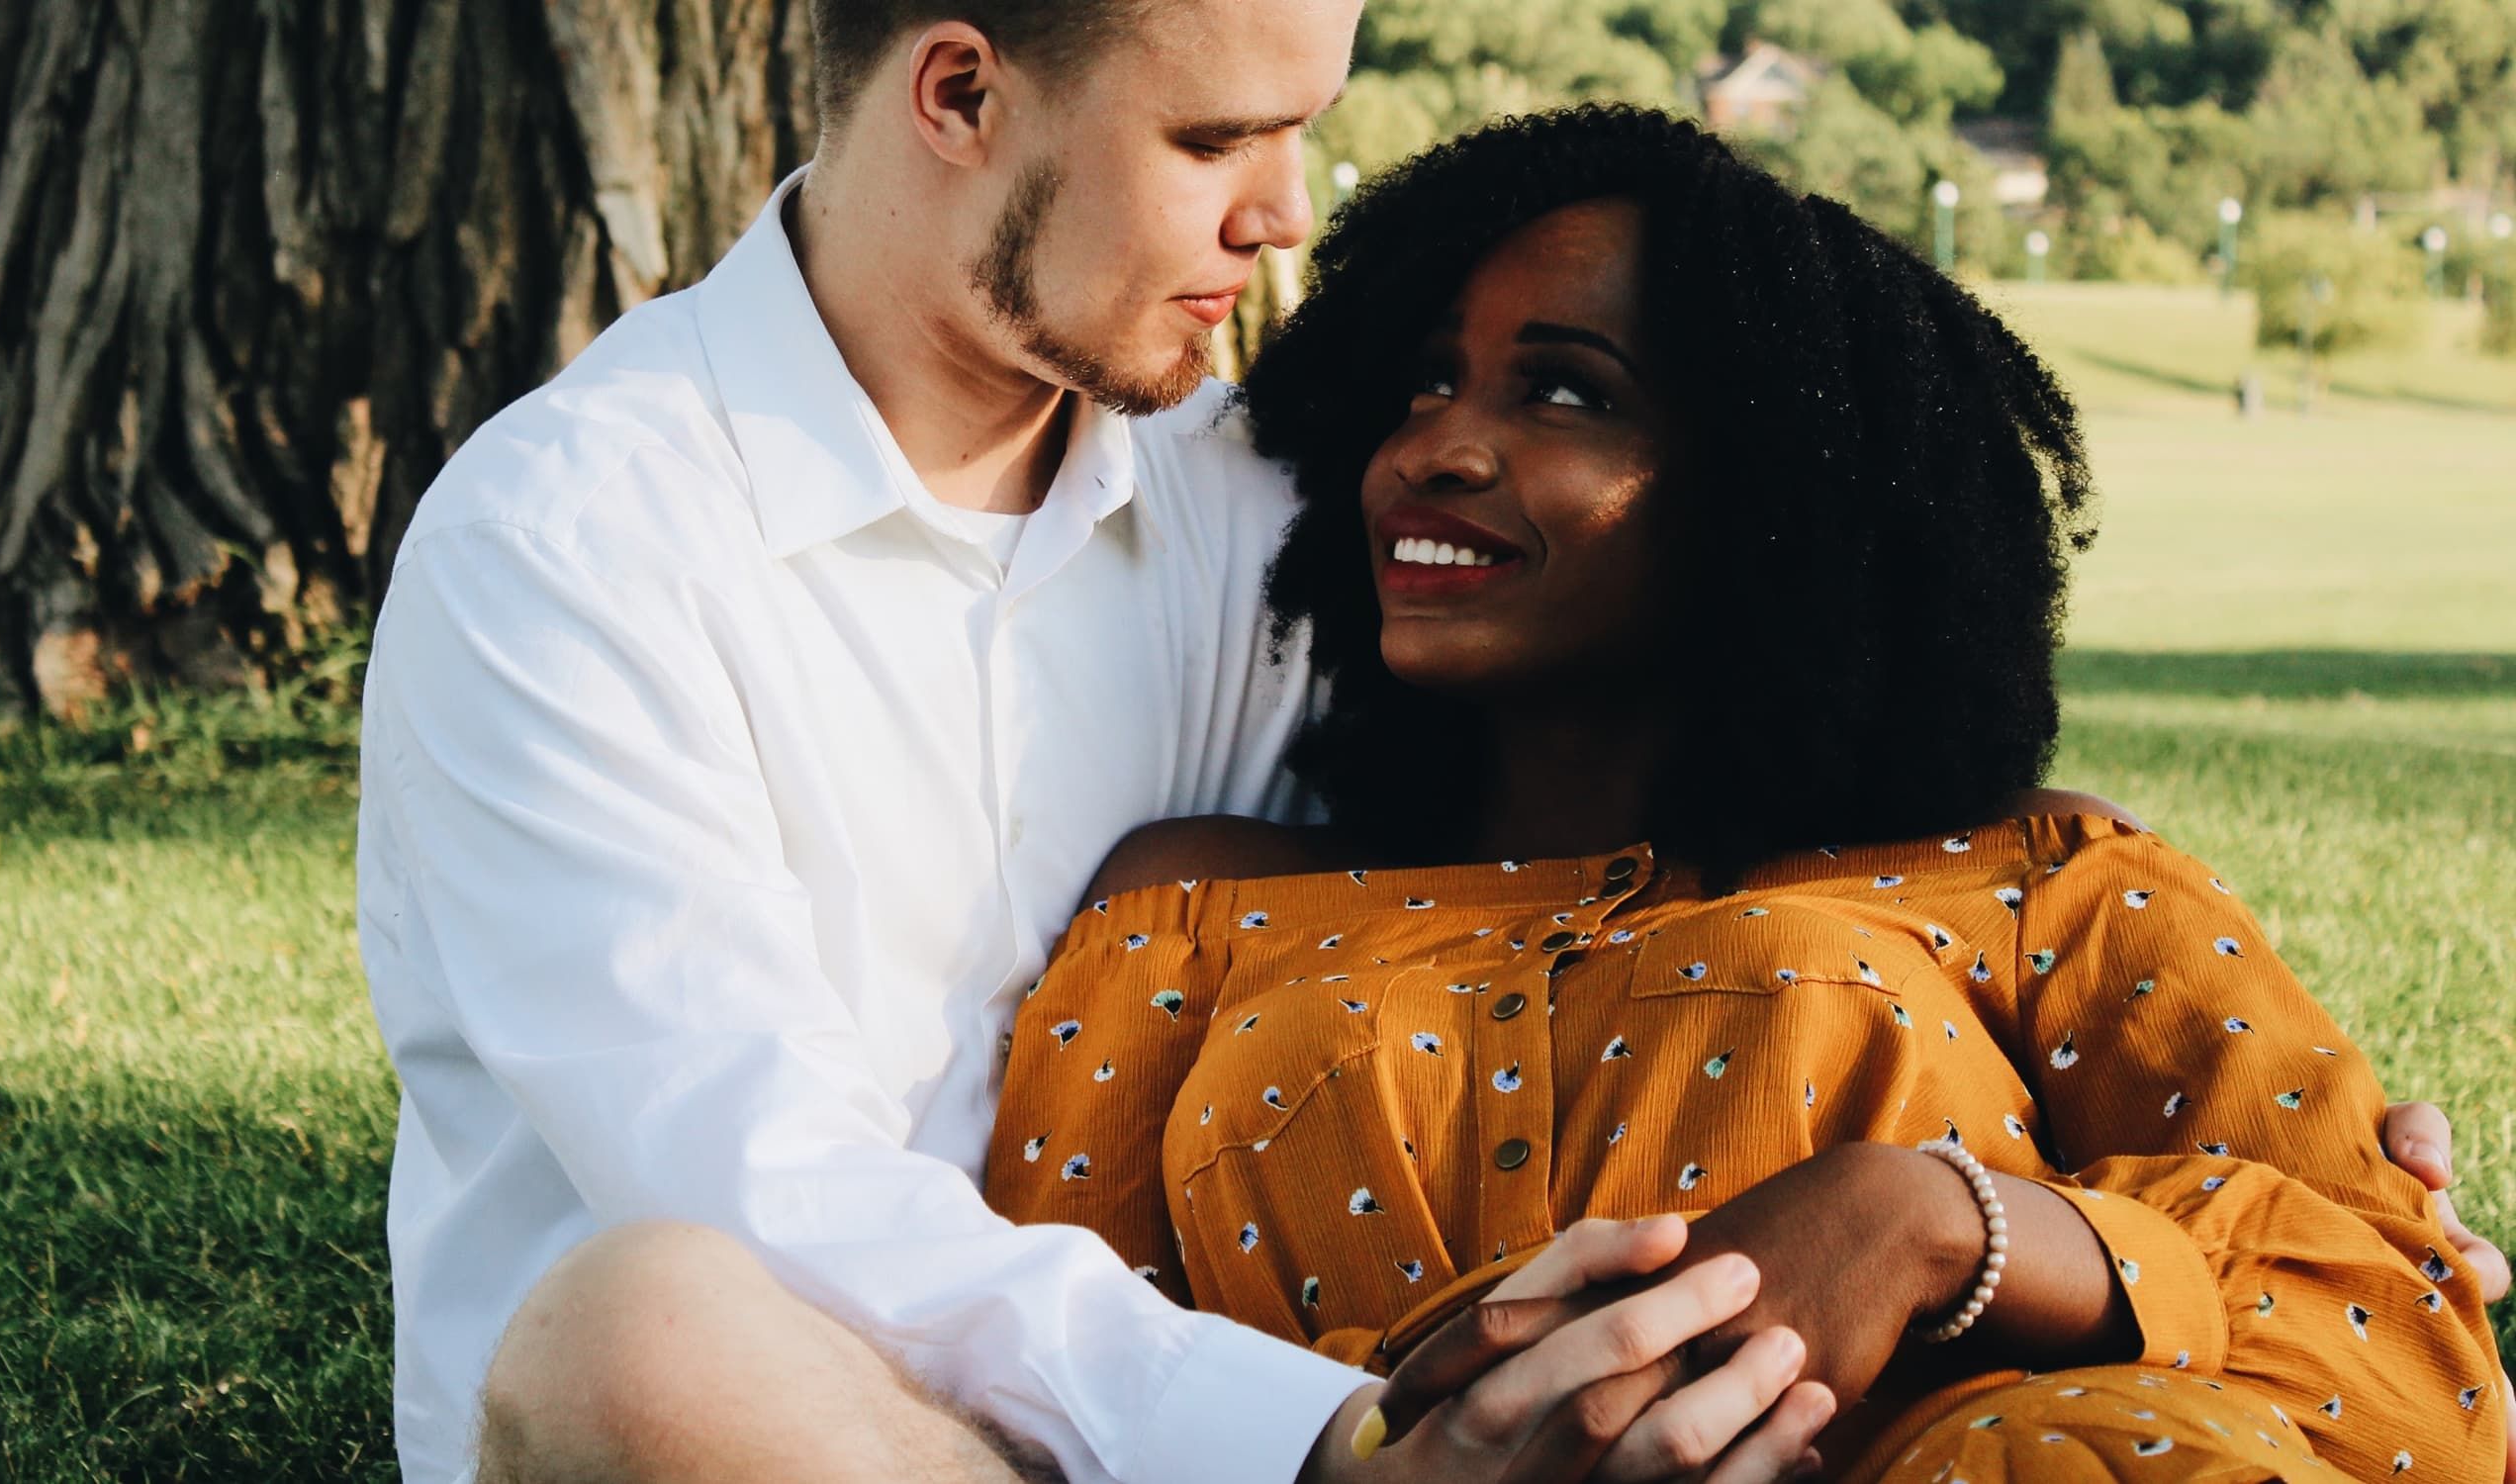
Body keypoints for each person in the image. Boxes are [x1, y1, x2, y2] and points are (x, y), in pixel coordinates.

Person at [358, 4, 2502, 1480]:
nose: (1287, 213)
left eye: (1305, 132)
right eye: (1216, 140)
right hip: (872, 1438)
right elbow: (760, 1185)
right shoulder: (580, 543)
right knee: (646, 1327)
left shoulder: (1249, 512)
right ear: (957, 95)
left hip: (1359, 1423)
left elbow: (1658, 721)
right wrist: (1348, 1444)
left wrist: (2030, 911)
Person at [982, 105, 2512, 1482]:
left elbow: (2402, 1349)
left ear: (1772, 499)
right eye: (1429, 380)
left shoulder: (2037, 879)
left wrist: (1925, 1223)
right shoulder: (1195, 909)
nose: (1437, 447)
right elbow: (1035, 1380)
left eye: (1564, 393)